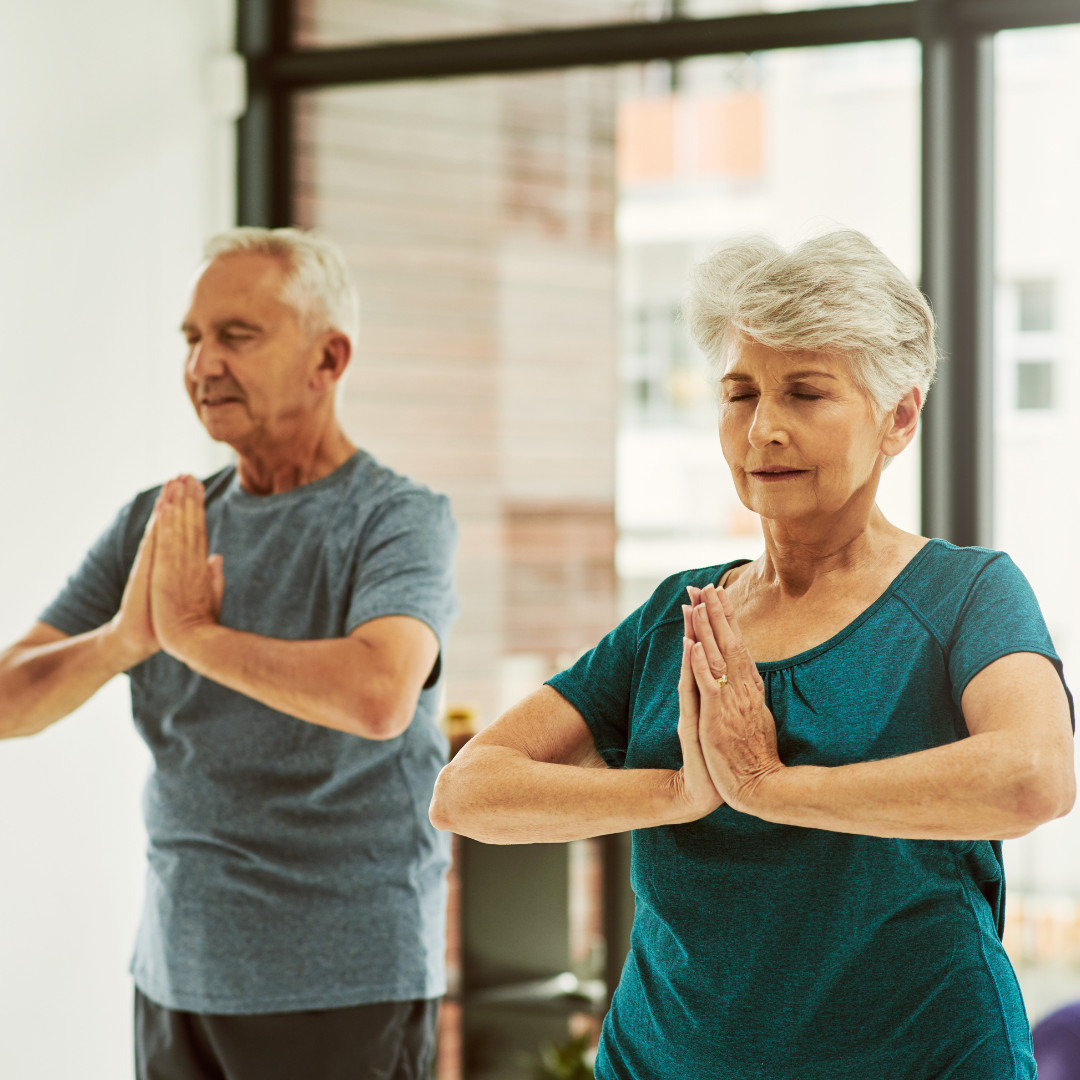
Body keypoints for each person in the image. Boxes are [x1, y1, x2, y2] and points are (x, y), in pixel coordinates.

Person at [430, 230, 1077, 1079]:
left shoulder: (966, 594)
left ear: (901, 416)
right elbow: (469, 790)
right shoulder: (681, 613)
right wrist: (679, 789)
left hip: (923, 1057)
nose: (763, 429)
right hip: (662, 1059)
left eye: (806, 393)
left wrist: (774, 788)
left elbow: (1034, 776)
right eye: (740, 394)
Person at [0, 228, 458, 1080]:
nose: (203, 364)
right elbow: (7, 702)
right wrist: (124, 640)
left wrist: (195, 639)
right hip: (177, 973)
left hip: (344, 981)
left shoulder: (395, 518)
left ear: (329, 358)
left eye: (236, 336)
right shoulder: (160, 521)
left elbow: (379, 692)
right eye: (192, 338)